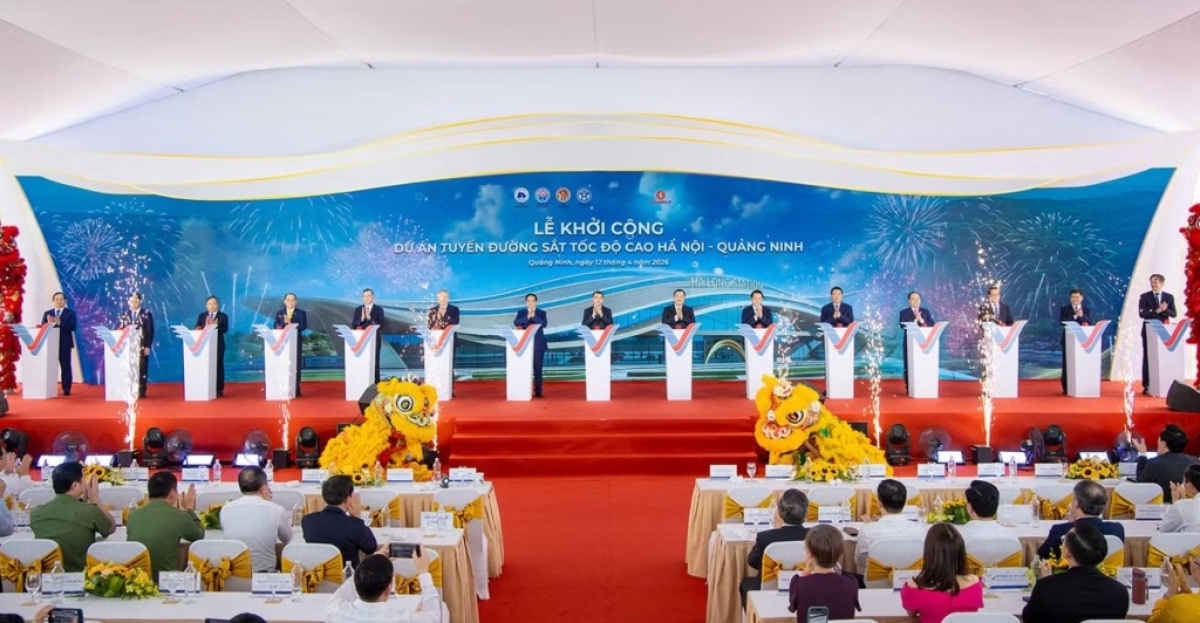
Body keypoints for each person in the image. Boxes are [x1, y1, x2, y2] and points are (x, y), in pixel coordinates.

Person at [1024, 522, 1129, 623]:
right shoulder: (1120, 593)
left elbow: (1029, 618)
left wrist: (1046, 582)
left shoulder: (1046, 588)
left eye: (1064, 540)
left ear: (1067, 552)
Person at [29, 462, 115, 571]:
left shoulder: (36, 513)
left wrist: (83, 499)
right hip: (80, 574)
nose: (86, 482)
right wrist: (95, 498)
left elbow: (63, 517)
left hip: (47, 576)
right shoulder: (89, 511)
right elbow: (110, 527)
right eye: (84, 479)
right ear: (75, 485)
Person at [126, 472, 204, 579]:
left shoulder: (132, 515)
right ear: (172, 494)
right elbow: (199, 535)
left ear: (149, 494)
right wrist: (189, 508)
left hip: (136, 582)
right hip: (167, 584)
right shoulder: (179, 516)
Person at [325, 551, 443, 623]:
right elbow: (433, 616)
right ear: (388, 590)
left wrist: (376, 558)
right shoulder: (401, 618)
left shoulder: (336, 611)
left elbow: (344, 591)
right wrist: (423, 572)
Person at [900, 523, 983, 623]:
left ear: (929, 552)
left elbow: (911, 613)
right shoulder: (974, 582)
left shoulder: (913, 586)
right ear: (960, 552)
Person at [739, 489, 809, 603]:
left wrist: (777, 531)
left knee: (745, 584)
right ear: (806, 514)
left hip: (767, 592)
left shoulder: (765, 537)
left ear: (779, 513)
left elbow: (752, 562)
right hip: (804, 589)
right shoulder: (814, 537)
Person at [219, 466, 292, 572]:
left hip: (233, 576)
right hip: (265, 577)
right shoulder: (277, 510)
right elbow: (286, 538)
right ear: (263, 488)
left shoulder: (225, 509)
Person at [301, 475, 377, 569]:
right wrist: (357, 518)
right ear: (348, 499)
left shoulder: (308, 521)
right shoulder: (355, 525)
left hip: (318, 579)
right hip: (347, 578)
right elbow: (371, 548)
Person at [1036, 479, 1124, 559]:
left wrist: (1069, 523)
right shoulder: (1117, 529)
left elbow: (1041, 556)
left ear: (1076, 503)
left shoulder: (1059, 531)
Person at [787, 524, 859, 621]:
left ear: (809, 554)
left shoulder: (799, 584)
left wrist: (806, 571)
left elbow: (793, 606)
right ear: (840, 554)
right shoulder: (851, 583)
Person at [855, 479, 925, 570]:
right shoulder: (920, 530)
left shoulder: (867, 531)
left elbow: (860, 562)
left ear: (879, 504)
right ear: (904, 504)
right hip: (910, 582)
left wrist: (871, 526)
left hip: (876, 584)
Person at [1134, 424, 1199, 502]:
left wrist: (1142, 454)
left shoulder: (1154, 463)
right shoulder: (1195, 462)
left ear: (1163, 443)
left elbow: (1140, 484)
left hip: (1159, 509)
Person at [1139, 273, 1177, 395]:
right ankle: (1147, 384)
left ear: (1161, 283)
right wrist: (1157, 311)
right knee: (1148, 356)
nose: (1153, 284)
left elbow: (1173, 313)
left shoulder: (1169, 297)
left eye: (1155, 282)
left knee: (1163, 356)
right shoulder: (1144, 297)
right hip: (1149, 329)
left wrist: (1165, 310)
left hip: (1164, 330)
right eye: (1152, 282)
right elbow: (1142, 314)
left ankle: (1165, 382)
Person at [119, 292, 154, 398]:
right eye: (131, 301)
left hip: (141, 345)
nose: (133, 304)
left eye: (135, 301)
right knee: (129, 367)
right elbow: (120, 329)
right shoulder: (125, 314)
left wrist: (147, 346)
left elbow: (150, 331)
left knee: (142, 367)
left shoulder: (146, 314)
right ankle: (130, 389)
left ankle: (141, 390)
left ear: (140, 301)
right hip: (128, 347)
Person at [41, 292, 76, 396]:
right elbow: (43, 327)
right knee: (49, 366)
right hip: (50, 344)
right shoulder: (47, 313)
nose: (59, 301)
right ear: (53, 301)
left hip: (64, 343)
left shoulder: (70, 313)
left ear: (65, 301)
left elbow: (72, 326)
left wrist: (60, 323)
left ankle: (66, 388)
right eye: (57, 299)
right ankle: (49, 388)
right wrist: (49, 324)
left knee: (65, 366)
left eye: (61, 299)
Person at [898, 292, 934, 392]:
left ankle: (923, 385)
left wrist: (921, 320)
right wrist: (915, 320)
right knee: (908, 364)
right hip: (909, 344)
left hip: (924, 344)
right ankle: (909, 386)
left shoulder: (925, 311)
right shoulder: (904, 312)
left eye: (918, 299)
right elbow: (902, 326)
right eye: (913, 299)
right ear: (909, 301)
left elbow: (931, 324)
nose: (916, 301)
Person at [274, 293, 308, 397]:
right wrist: (283, 325)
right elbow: (275, 325)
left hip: (295, 342)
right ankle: (282, 388)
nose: (290, 302)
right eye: (288, 300)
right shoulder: (279, 313)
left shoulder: (301, 313)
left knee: (296, 365)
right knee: (283, 365)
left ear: (296, 302)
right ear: (284, 301)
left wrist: (290, 324)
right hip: (282, 343)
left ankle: (296, 389)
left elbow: (303, 326)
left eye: (293, 300)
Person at [1059, 288, 1092, 394]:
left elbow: (1090, 321)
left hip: (1083, 341)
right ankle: (1066, 387)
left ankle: (1082, 385)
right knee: (1067, 363)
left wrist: (1082, 316)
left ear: (1082, 298)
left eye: (1077, 297)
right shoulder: (1065, 309)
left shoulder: (1086, 309)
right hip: (1068, 339)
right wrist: (1075, 316)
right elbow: (1062, 322)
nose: (1074, 299)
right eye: (1072, 297)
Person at [514, 293, 548, 398]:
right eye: (528, 300)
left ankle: (538, 391)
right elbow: (516, 322)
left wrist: (534, 317)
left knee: (538, 369)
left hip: (538, 345)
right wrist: (528, 317)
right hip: (524, 345)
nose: (530, 302)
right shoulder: (521, 313)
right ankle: (524, 390)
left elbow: (543, 324)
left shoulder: (541, 313)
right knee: (524, 368)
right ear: (526, 302)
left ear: (536, 302)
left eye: (533, 300)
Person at [194, 295, 229, 397]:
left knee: (218, 366)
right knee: (205, 366)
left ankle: (219, 389)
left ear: (217, 304)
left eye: (214, 303)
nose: (212, 305)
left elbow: (225, 330)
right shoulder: (202, 316)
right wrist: (201, 327)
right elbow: (197, 327)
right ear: (206, 305)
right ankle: (204, 387)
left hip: (218, 345)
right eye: (209, 304)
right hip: (203, 346)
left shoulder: (223, 316)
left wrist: (215, 325)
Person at [1151, 557, 1200, 623]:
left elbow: (1154, 621)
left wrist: (1169, 594)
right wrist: (1187, 592)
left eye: (1196, 562)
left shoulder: (1178, 602)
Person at [352, 288, 385, 383]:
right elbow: (353, 324)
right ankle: (362, 382)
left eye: (369, 296)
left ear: (373, 297)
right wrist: (361, 319)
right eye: (364, 296)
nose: (366, 298)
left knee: (375, 362)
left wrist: (370, 318)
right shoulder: (358, 310)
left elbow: (381, 325)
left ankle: (376, 383)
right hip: (361, 341)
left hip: (374, 339)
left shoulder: (379, 310)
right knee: (362, 362)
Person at [1161, 464, 1200, 533]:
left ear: (1190, 485)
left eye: (1184, 481)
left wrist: (1175, 501)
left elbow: (1164, 529)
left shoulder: (1181, 506)